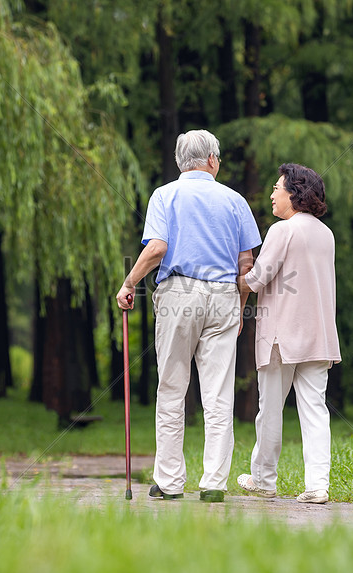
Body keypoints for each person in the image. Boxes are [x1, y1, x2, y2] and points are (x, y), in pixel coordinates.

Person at [116, 129, 261, 503]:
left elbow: (158, 248)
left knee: (172, 387)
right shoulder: (235, 200)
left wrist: (130, 282)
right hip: (223, 296)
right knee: (217, 393)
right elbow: (247, 264)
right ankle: (213, 483)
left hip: (178, 293)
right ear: (211, 160)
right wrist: (240, 303)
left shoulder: (165, 195)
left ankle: (169, 482)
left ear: (182, 161)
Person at [236, 163, 341, 504]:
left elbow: (257, 279)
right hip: (319, 335)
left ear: (294, 194)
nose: (271, 194)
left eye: (276, 188)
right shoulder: (326, 234)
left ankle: (264, 479)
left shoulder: (283, 231)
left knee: (270, 409)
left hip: (282, 335)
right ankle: (318, 485)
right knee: (315, 409)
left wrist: (237, 279)